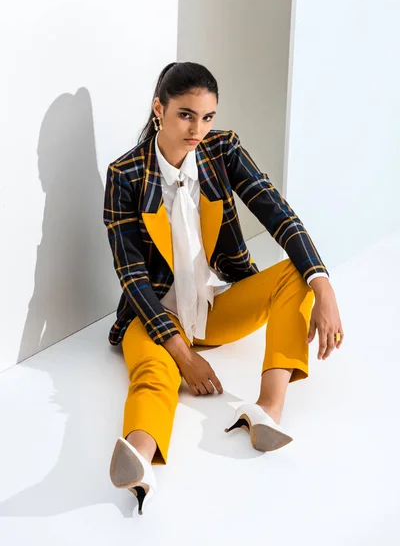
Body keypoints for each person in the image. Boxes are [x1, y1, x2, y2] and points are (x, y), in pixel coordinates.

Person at [103, 61, 344, 514]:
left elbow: (280, 216)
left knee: (297, 272)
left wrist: (324, 287)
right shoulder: (126, 176)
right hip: (153, 315)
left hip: (212, 308)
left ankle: (267, 411)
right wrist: (185, 357)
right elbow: (131, 275)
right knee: (155, 376)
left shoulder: (222, 151)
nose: (198, 128)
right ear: (159, 108)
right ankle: (138, 455)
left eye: (207, 116)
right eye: (186, 115)